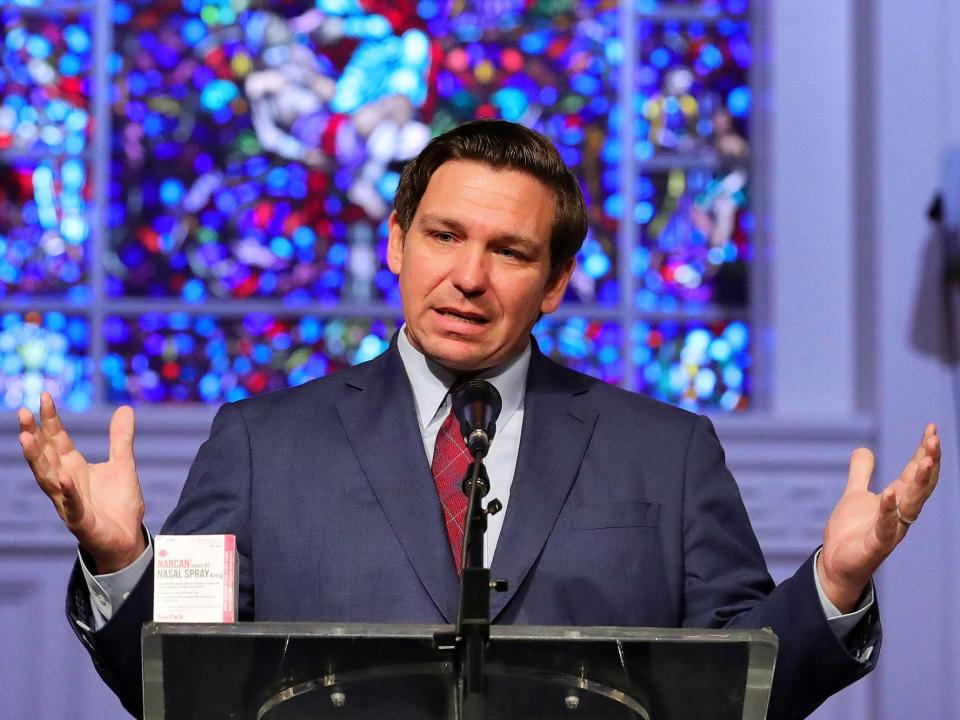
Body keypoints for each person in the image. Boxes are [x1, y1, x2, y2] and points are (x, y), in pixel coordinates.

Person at [19, 120, 941, 720]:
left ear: (556, 283)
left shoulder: (668, 452)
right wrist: (118, 559)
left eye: (510, 251)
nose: (469, 276)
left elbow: (752, 685)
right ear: (396, 242)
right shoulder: (260, 443)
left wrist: (835, 582)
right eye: (444, 235)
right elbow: (184, 684)